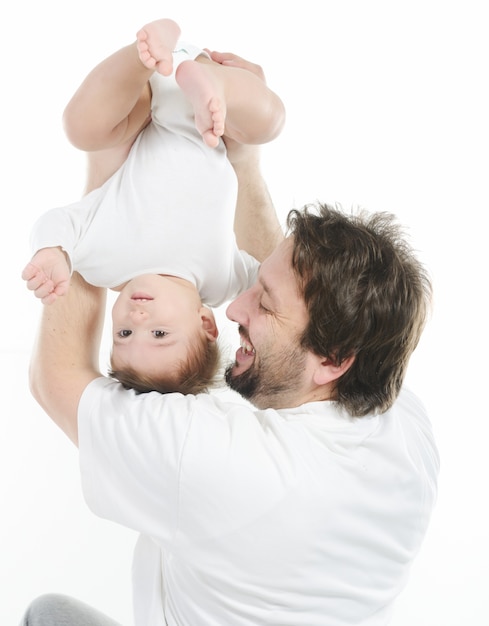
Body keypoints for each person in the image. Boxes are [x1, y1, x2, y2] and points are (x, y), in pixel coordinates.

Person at [20, 61, 439, 626]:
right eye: (256, 289)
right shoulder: (404, 427)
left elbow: (59, 380)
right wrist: (243, 159)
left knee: (47, 615)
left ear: (334, 361)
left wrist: (105, 189)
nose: (235, 306)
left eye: (261, 307)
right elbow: (291, 294)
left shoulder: (219, 462)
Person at [21, 18, 286, 395]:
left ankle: (143, 53)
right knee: (270, 122)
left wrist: (53, 253)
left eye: (123, 333)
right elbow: (274, 277)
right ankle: (221, 86)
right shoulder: (221, 280)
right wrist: (247, 89)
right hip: (214, 117)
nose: (137, 317)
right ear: (206, 324)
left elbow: (61, 221)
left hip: (141, 104)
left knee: (81, 128)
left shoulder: (106, 265)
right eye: (159, 333)